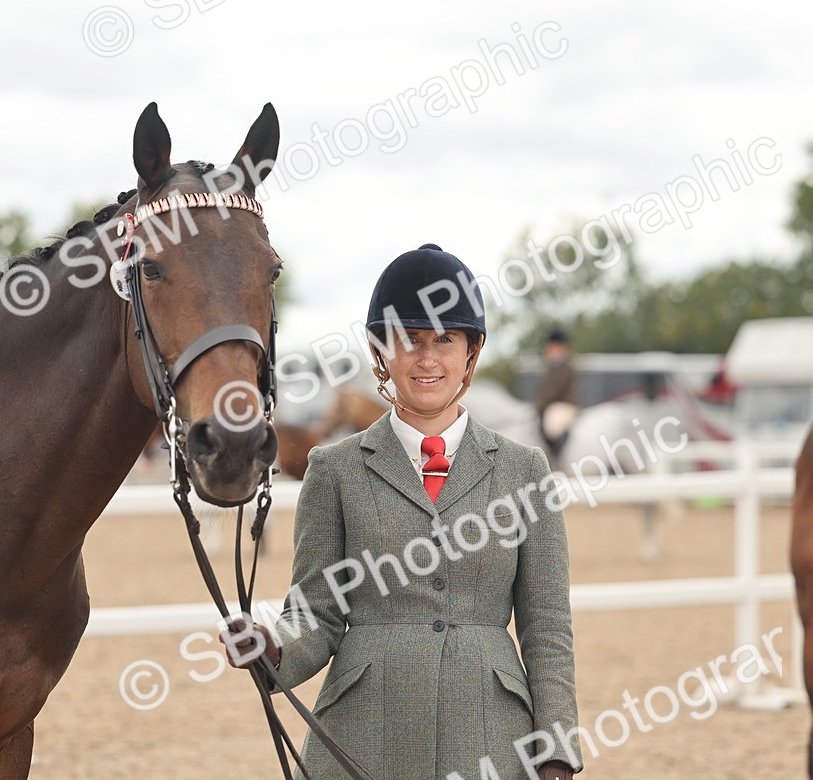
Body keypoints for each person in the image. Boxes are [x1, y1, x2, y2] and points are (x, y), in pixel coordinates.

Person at [225, 244, 582, 780]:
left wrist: (556, 749)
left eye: (445, 340)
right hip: (362, 732)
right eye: (409, 341)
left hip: (490, 732)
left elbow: (547, 628)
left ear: (471, 352)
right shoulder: (334, 470)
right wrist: (274, 647)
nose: (428, 358)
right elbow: (316, 614)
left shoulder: (524, 471)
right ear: (381, 352)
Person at [534, 329, 579, 468]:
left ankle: (557, 459)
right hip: (552, 406)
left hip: (565, 405)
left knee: (552, 426)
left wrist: (539, 406)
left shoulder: (566, 367)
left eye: (553, 347)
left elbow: (554, 390)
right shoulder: (550, 367)